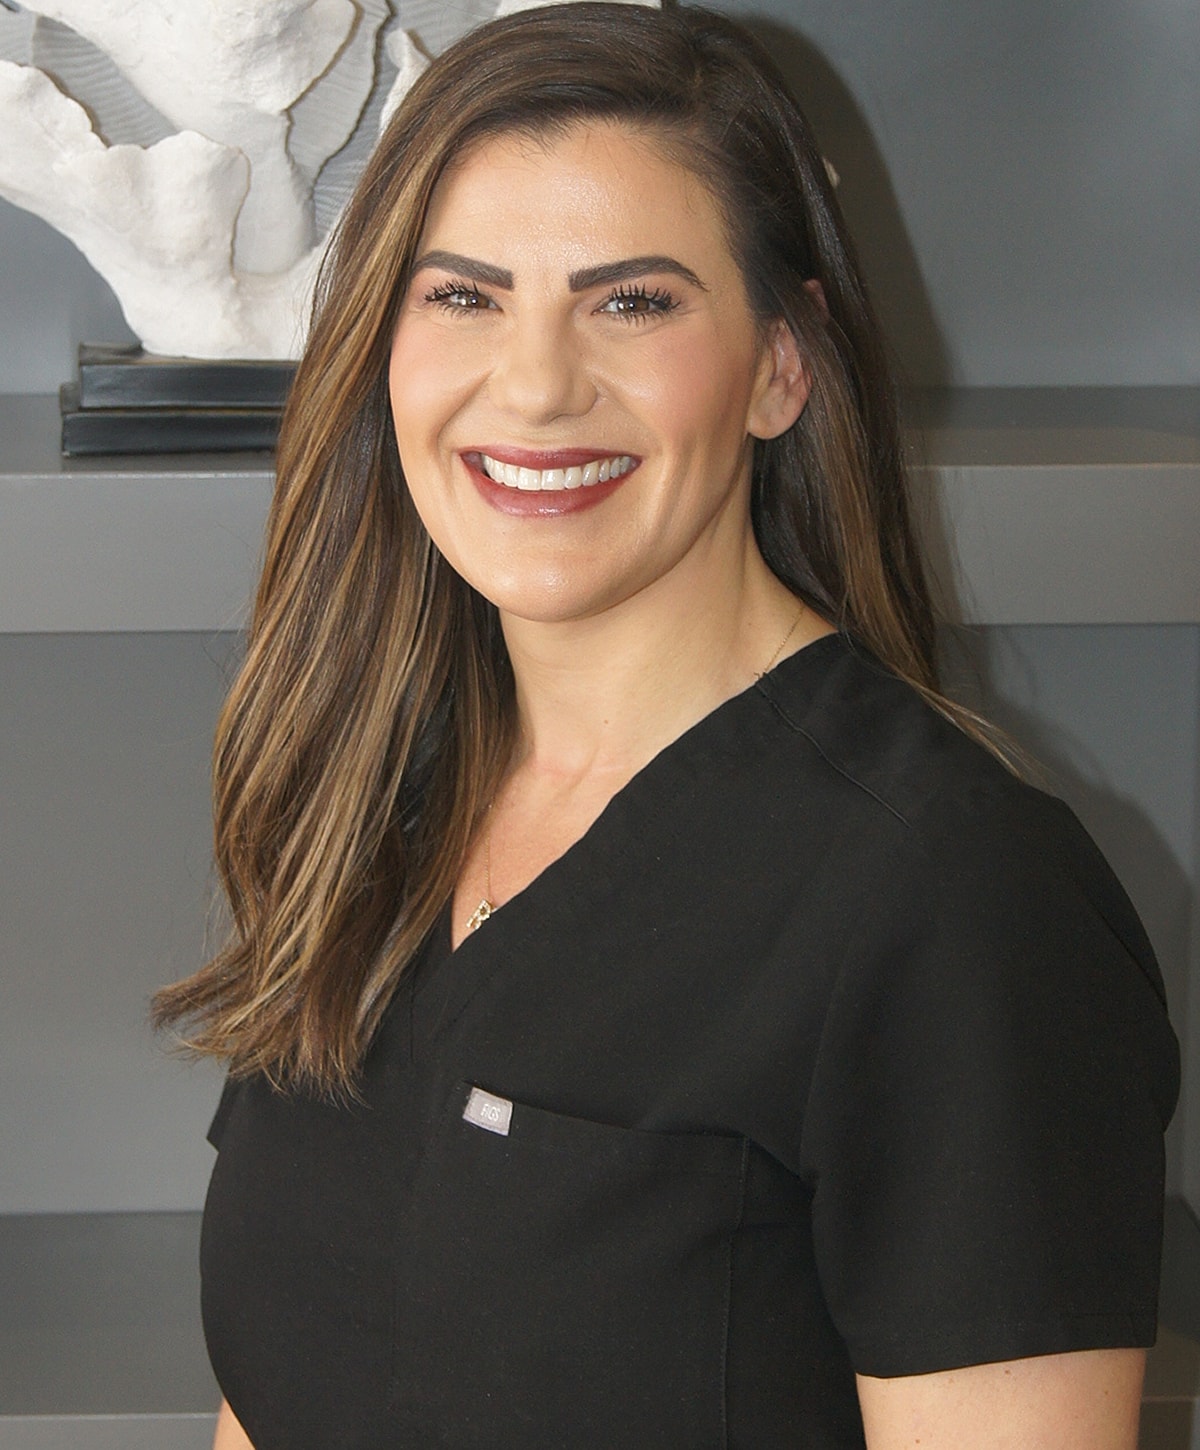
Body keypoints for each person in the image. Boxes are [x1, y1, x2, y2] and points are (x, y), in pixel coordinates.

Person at [154, 4, 1179, 1447]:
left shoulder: (956, 899)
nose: (536, 383)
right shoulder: (370, 804)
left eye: (632, 301)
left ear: (781, 365)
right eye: (464, 297)